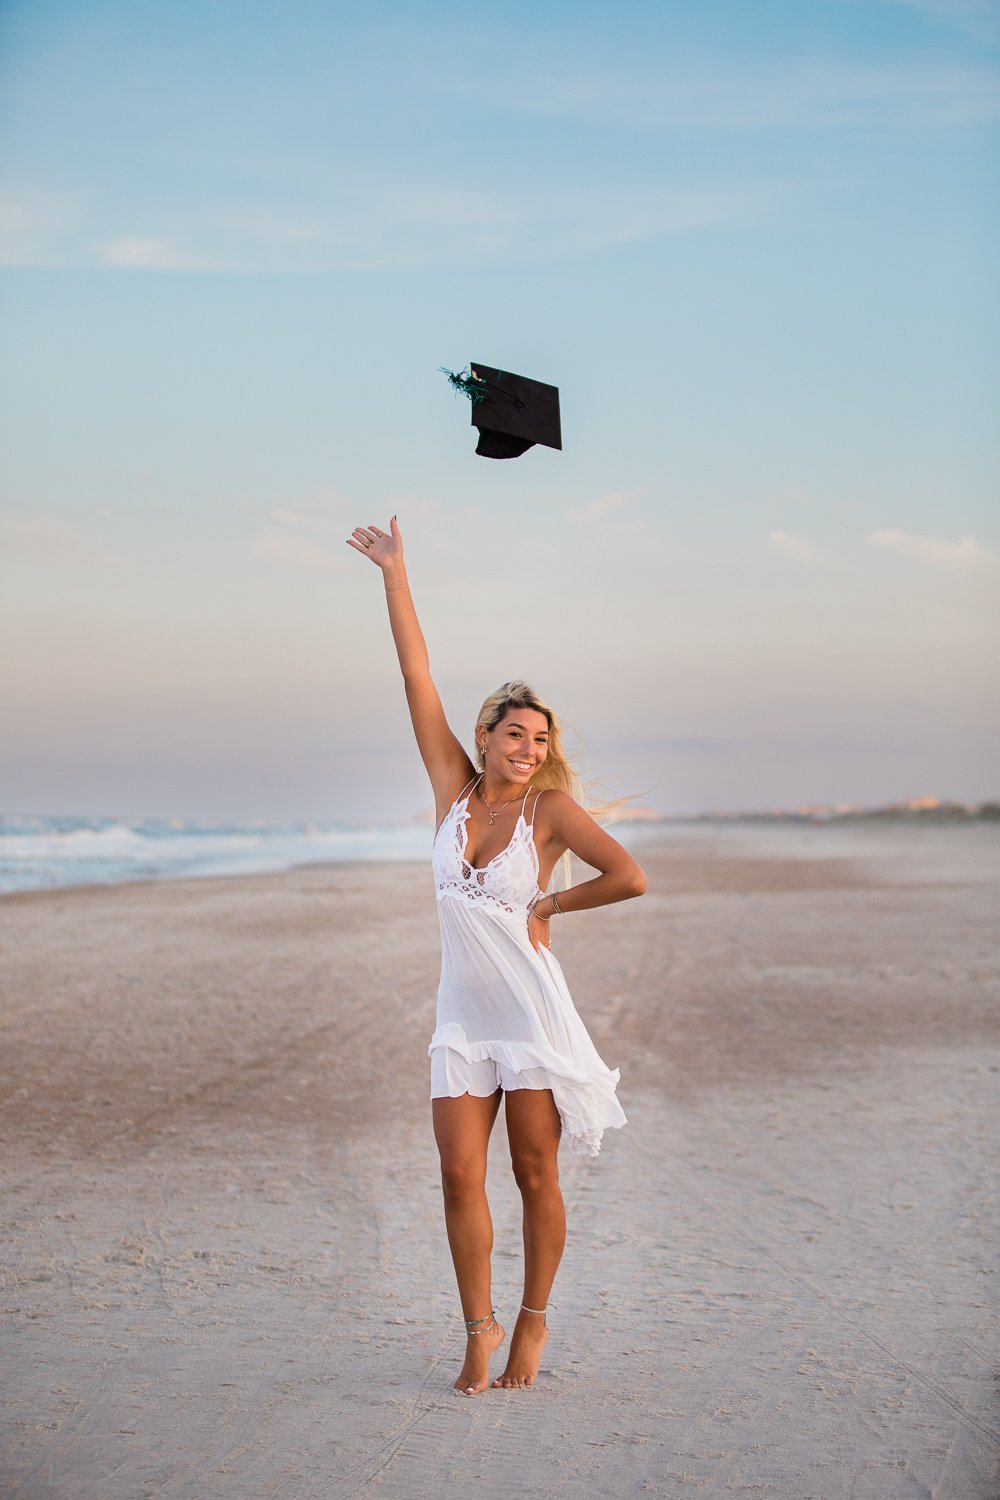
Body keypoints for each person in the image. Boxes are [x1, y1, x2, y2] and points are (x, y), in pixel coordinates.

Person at [347, 516, 647, 1395]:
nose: (529, 749)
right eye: (515, 735)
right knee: (456, 1173)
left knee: (533, 1170)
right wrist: (395, 575)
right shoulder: (451, 787)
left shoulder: (547, 813)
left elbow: (628, 876)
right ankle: (475, 1328)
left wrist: (551, 898)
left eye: (541, 739)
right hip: (463, 1017)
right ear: (485, 738)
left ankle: (532, 1323)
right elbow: (416, 675)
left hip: (528, 1013)